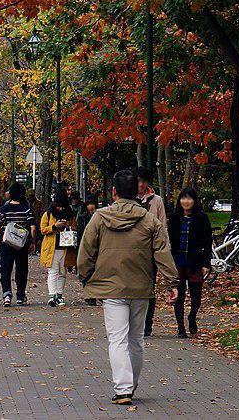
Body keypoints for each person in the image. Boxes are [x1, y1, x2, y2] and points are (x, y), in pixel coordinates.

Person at [77, 168, 178, 407]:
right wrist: (171, 282)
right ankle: (130, 385)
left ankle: (123, 388)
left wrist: (86, 276)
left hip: (111, 287)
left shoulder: (100, 218)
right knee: (136, 339)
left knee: (117, 339)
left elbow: (86, 252)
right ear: (139, 193)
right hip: (141, 286)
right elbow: (163, 254)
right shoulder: (150, 221)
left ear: (114, 192)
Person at [168, 187, 212, 338]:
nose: (186, 202)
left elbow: (207, 242)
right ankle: (181, 328)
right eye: (183, 198)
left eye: (189, 198)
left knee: (196, 296)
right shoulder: (174, 218)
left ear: (194, 201)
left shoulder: (201, 218)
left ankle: (192, 316)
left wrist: (206, 263)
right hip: (178, 262)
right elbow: (169, 242)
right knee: (178, 295)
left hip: (195, 262)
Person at [137, 168, 167, 335]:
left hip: (150, 252)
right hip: (133, 253)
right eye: (138, 181)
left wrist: (162, 250)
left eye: (144, 181)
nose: (141, 185)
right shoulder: (128, 200)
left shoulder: (156, 201)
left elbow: (163, 226)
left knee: (149, 288)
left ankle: (147, 324)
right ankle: (136, 323)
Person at [0, 182, 33, 306]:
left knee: (6, 269)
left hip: (7, 243)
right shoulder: (26, 209)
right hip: (21, 244)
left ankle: (6, 294)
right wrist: (32, 241)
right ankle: (20, 296)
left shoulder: (3, 209)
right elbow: (32, 227)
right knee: (21, 269)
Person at [40, 193, 77, 307]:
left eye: (62, 206)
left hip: (65, 248)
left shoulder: (70, 216)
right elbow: (42, 229)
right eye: (58, 206)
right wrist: (54, 226)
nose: (60, 208)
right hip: (51, 248)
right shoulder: (48, 214)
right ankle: (52, 295)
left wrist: (67, 225)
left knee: (62, 272)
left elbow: (75, 228)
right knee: (52, 272)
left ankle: (59, 295)